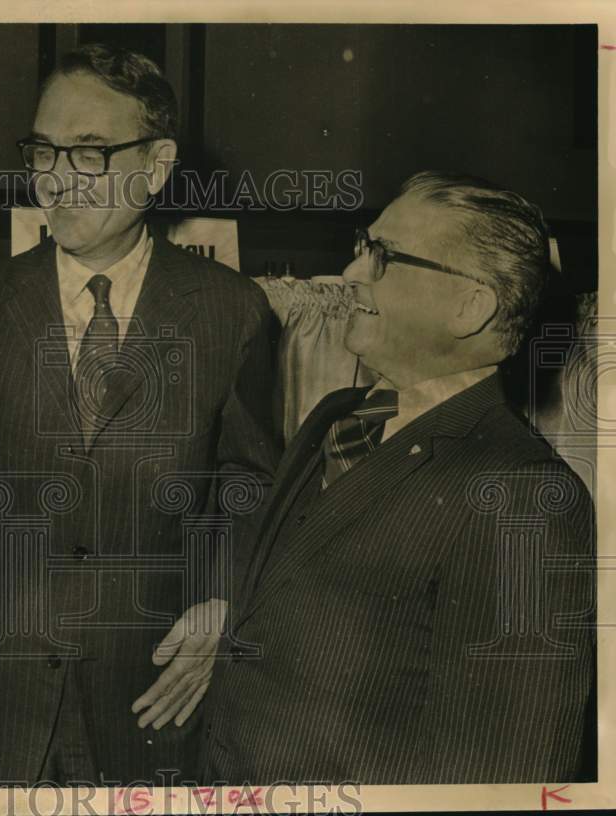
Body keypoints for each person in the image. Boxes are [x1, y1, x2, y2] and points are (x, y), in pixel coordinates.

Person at [0, 44, 280, 785]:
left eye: (89, 153)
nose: (57, 179)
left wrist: (223, 600)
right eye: (43, 151)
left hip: (151, 700)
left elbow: (248, 485)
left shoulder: (232, 311)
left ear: (156, 165)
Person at [201, 172, 595, 784]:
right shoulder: (337, 414)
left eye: (382, 256)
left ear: (469, 306)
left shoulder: (525, 496)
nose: (350, 272)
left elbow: (508, 772)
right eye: (363, 246)